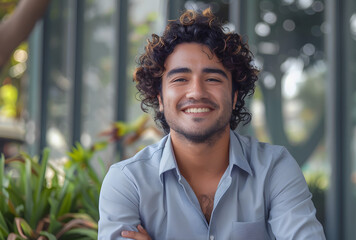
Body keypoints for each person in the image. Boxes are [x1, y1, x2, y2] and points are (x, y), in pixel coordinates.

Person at [98, 8, 325, 240]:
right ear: (160, 99)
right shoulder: (127, 182)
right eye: (180, 79)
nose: (196, 92)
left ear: (235, 96)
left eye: (213, 79)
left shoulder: (274, 169)